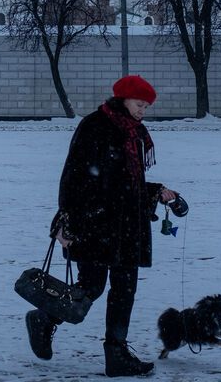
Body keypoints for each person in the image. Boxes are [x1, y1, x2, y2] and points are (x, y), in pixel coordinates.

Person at [26, 75, 178, 378]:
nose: (142, 111)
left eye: (147, 107)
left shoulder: (135, 132)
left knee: (125, 289)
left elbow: (125, 182)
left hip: (126, 226)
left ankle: (117, 352)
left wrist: (155, 191)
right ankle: (44, 319)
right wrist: (68, 218)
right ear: (122, 99)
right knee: (91, 286)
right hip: (95, 221)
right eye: (139, 104)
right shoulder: (95, 126)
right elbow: (74, 176)